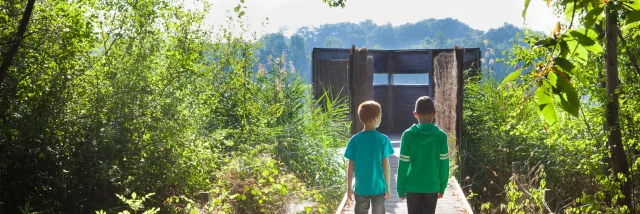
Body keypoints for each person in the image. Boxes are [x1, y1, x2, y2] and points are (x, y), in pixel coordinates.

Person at [396, 96, 449, 214]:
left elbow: (403, 164)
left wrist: (400, 188)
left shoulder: (408, 135)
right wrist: (442, 186)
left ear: (415, 114)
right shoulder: (441, 136)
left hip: (412, 186)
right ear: (434, 113)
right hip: (432, 185)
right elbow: (444, 164)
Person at [344, 100, 394, 214]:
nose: (381, 118)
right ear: (374, 118)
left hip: (360, 187)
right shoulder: (383, 139)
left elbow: (350, 166)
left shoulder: (355, 140)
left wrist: (348, 188)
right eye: (380, 115)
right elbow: (386, 165)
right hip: (378, 187)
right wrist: (388, 187)